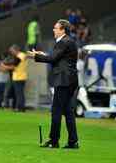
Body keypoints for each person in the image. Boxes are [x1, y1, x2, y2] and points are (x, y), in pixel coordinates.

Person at [27, 19, 79, 149]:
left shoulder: (63, 41)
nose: (53, 30)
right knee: (68, 111)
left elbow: (53, 59)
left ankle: (53, 140)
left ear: (62, 30)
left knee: (56, 111)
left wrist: (36, 57)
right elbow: (57, 58)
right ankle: (73, 141)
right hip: (70, 80)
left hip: (63, 80)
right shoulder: (68, 41)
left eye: (56, 28)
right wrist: (43, 54)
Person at [1, 45, 28, 112]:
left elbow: (14, 66)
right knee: (17, 94)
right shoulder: (19, 56)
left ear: (16, 50)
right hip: (16, 77)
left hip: (20, 77)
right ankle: (18, 107)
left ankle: (20, 108)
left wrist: (4, 66)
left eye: (12, 51)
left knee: (19, 94)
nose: (11, 52)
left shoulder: (21, 55)